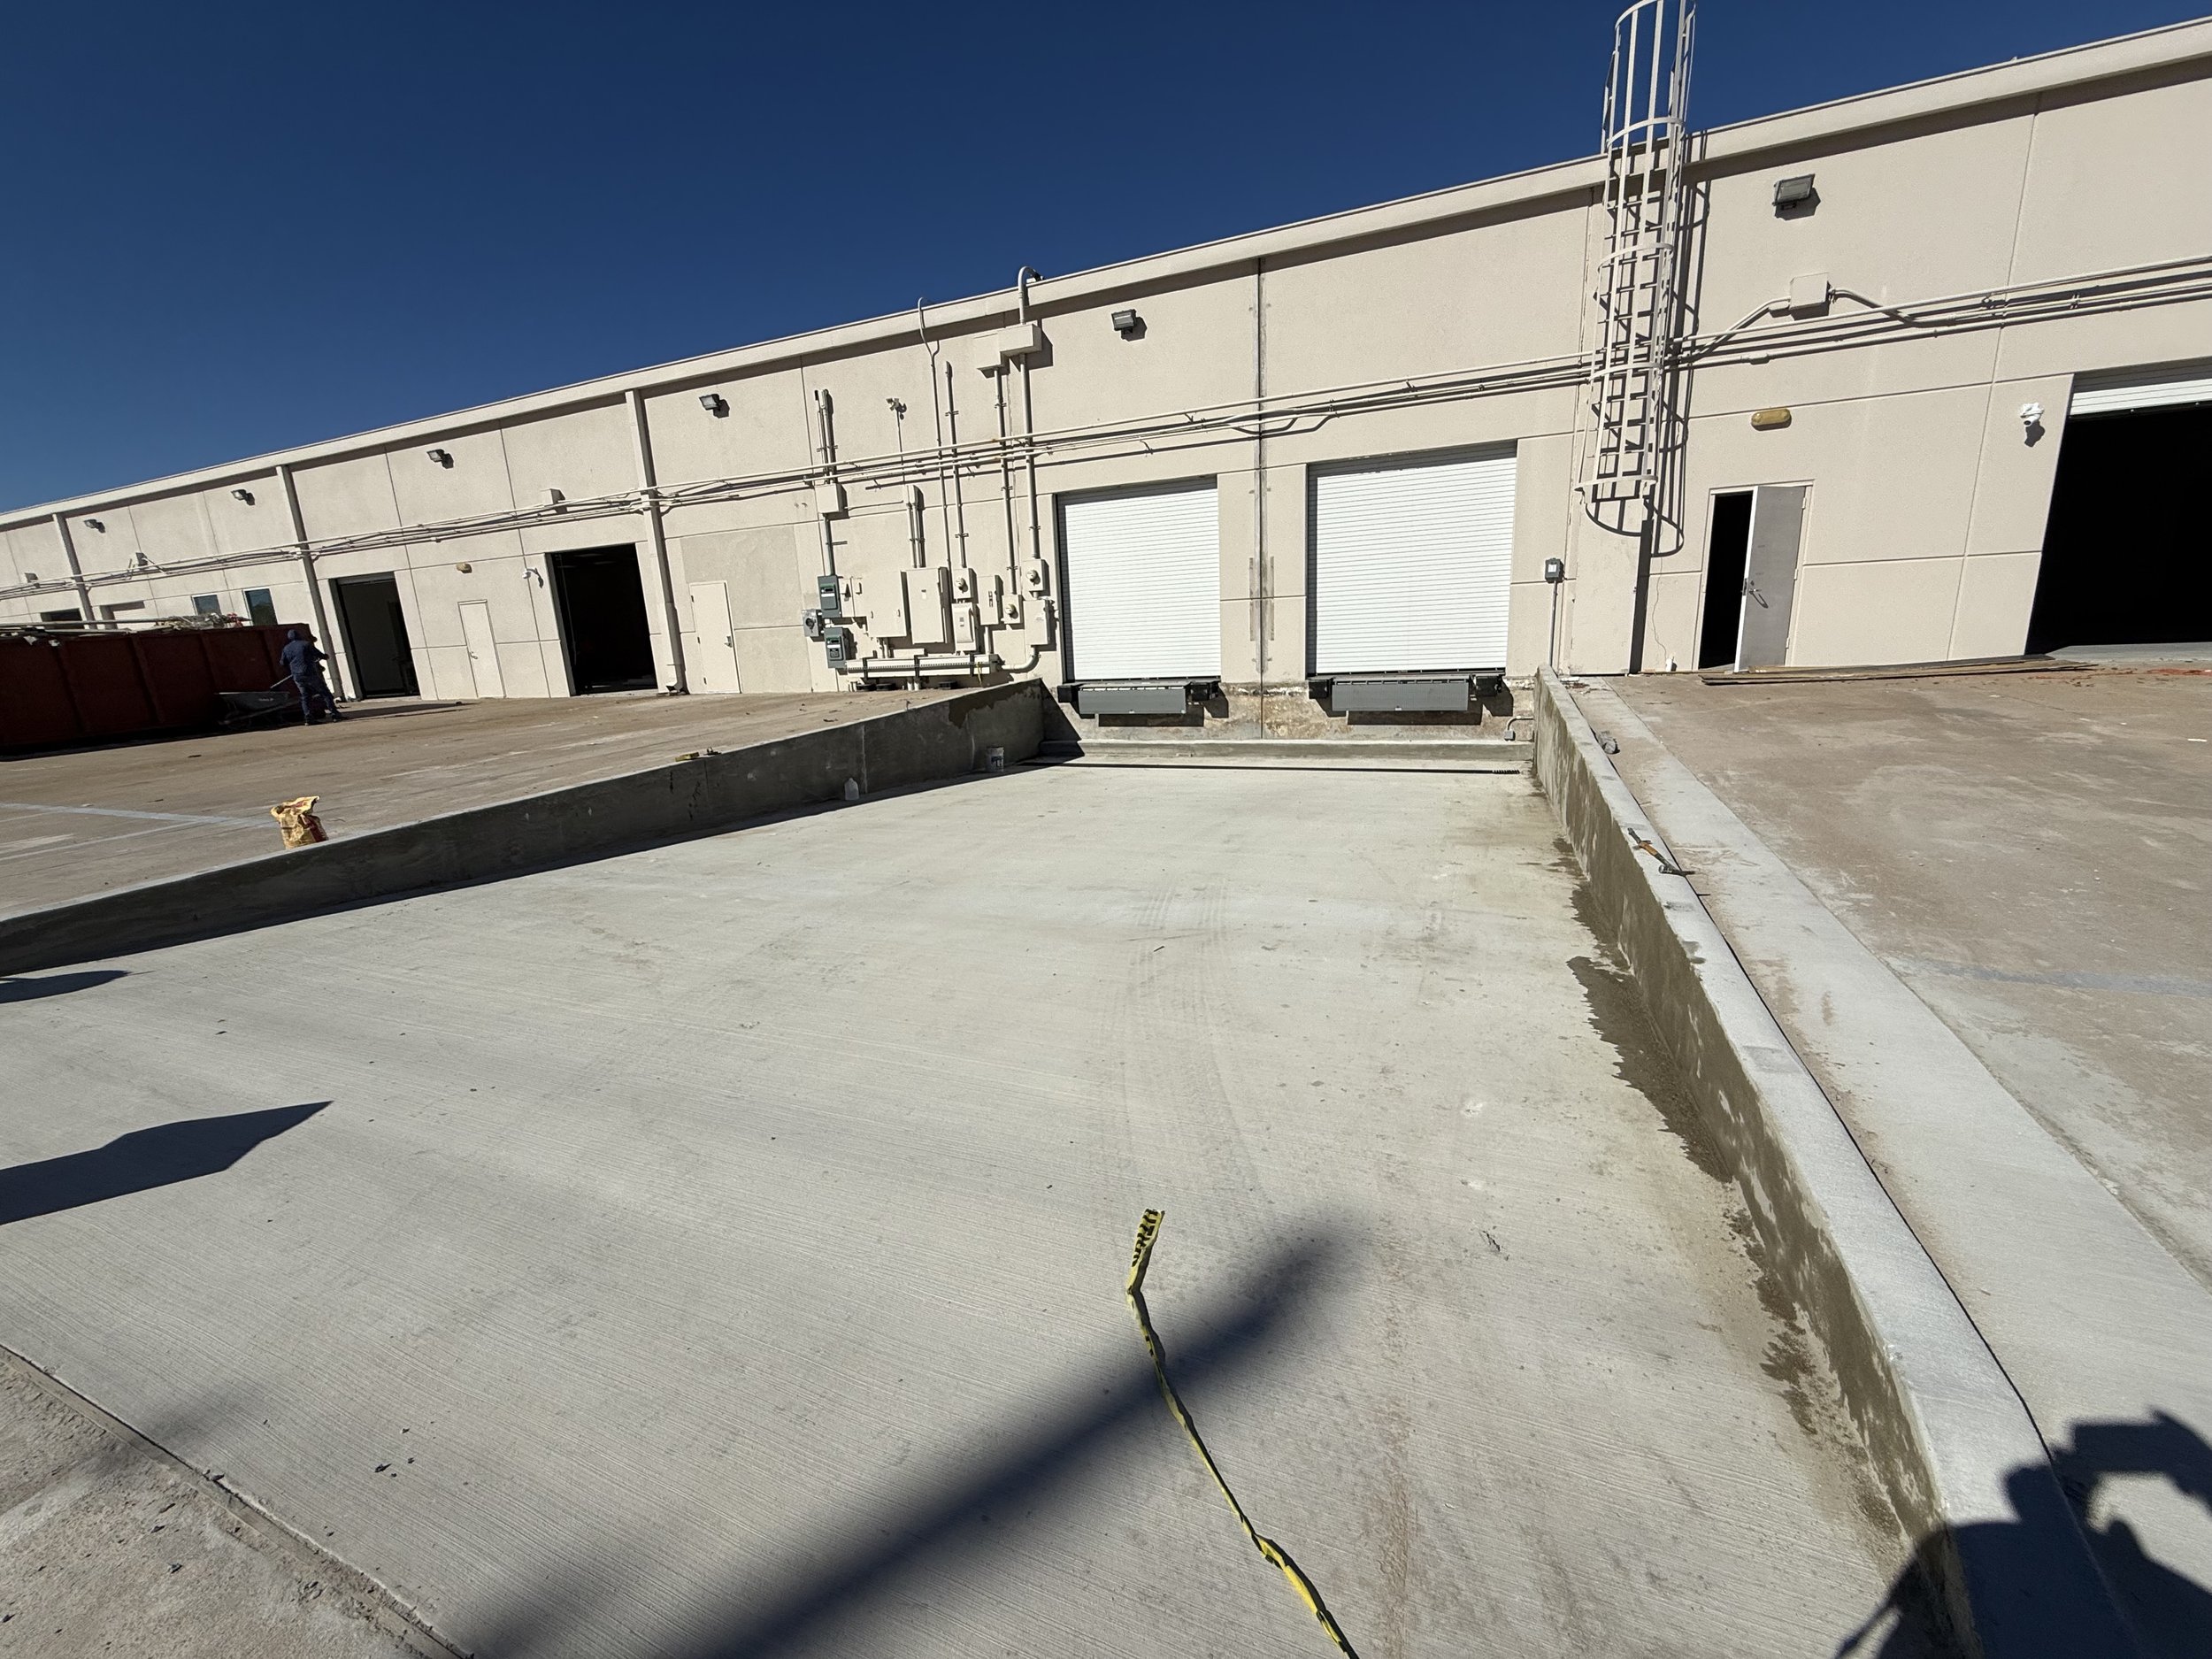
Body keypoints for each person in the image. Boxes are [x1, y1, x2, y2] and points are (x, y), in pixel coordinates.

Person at [280, 627, 342, 725]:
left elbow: (283, 663)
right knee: (325, 693)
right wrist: (325, 656)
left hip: (297, 676)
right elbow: (319, 655)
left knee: (305, 696)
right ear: (299, 635)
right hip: (309, 673)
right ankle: (335, 714)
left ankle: (308, 718)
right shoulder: (306, 644)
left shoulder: (286, 648)